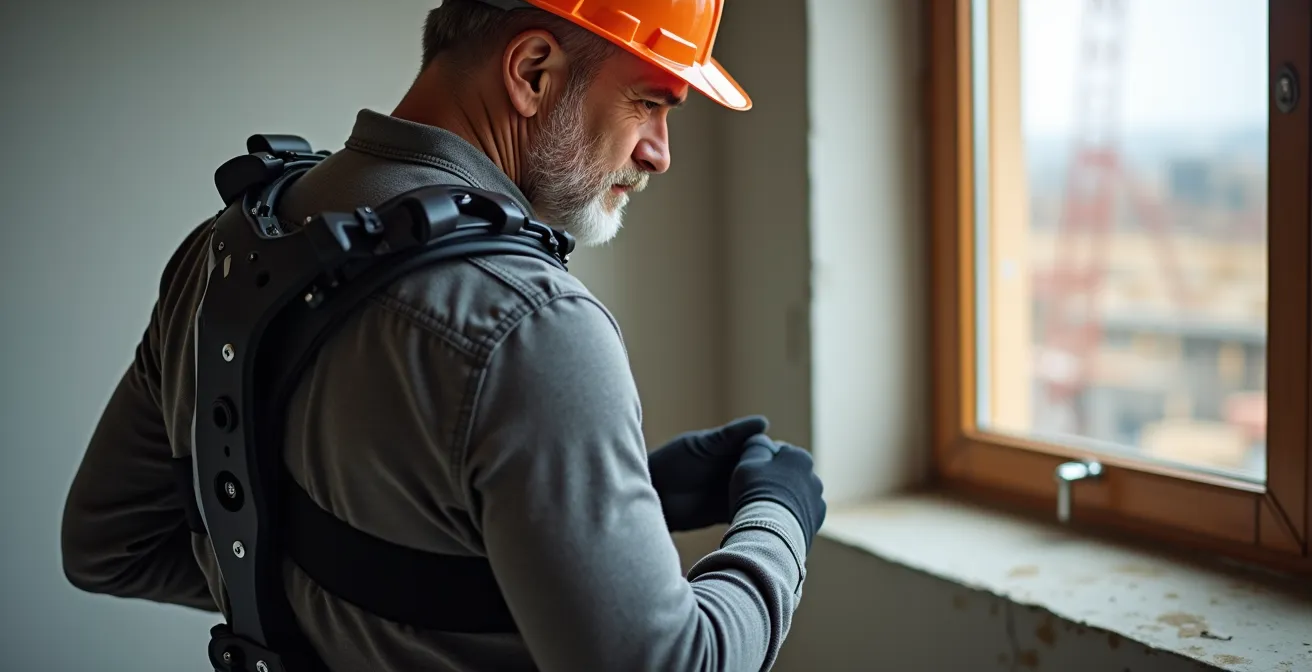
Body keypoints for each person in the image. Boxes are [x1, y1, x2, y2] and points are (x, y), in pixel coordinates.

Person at [59, 0, 827, 670]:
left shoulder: (223, 250)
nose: (660, 150)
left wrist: (605, 514)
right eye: (649, 102)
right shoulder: (532, 325)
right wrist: (778, 519)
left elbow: (112, 544)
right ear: (532, 71)